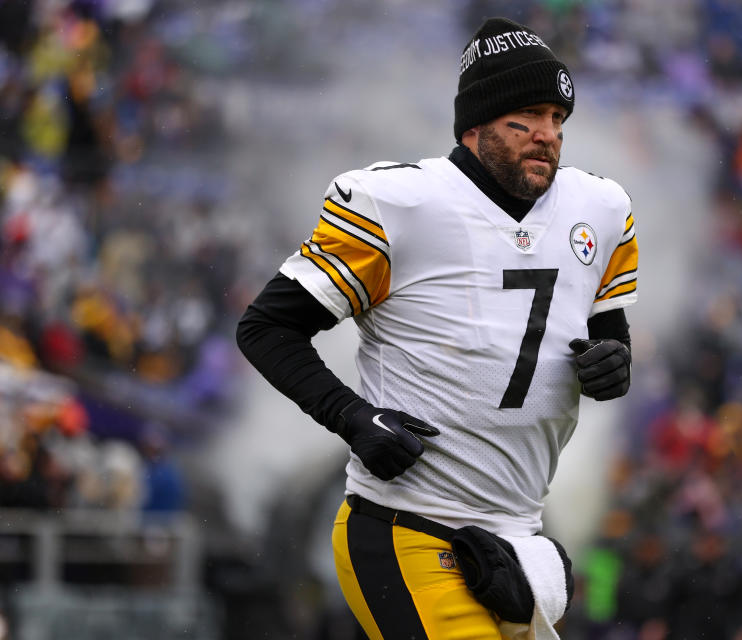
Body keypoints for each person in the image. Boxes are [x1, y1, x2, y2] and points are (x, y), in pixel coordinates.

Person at [237, 16, 638, 639]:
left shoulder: (601, 210)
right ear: (474, 126)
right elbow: (266, 328)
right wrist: (350, 415)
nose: (547, 135)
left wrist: (614, 365)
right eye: (525, 118)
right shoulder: (398, 203)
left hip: (516, 542)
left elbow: (609, 335)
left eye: (557, 118)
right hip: (407, 526)